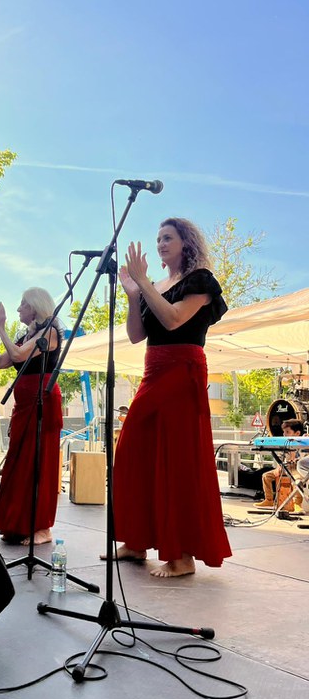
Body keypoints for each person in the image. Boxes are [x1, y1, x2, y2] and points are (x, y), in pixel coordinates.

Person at [108, 217, 232, 577]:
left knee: (176, 461)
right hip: (153, 370)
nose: (161, 243)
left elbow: (176, 320)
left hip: (182, 370)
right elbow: (136, 335)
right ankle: (135, 541)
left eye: (168, 237)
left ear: (185, 242)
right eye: (158, 238)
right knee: (133, 451)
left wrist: (144, 283)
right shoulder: (156, 284)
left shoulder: (200, 280)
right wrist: (134, 294)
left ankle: (181, 557)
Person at [0, 287, 63, 546]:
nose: (18, 309)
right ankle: (18, 523)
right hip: (24, 402)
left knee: (39, 464)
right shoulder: (27, 335)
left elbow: (16, 355)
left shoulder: (51, 332)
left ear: (35, 307)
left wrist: (1, 328)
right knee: (18, 463)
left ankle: (42, 527)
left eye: (22, 304)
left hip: (42, 401)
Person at [257, 419, 305, 511]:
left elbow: (304, 459)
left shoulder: (302, 443)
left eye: (287, 432)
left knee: (297, 481)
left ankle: (297, 503)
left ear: (297, 433)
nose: (284, 435)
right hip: (284, 467)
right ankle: (269, 499)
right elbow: (281, 458)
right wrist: (280, 466)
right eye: (284, 432)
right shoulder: (284, 443)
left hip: (296, 468)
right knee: (266, 476)